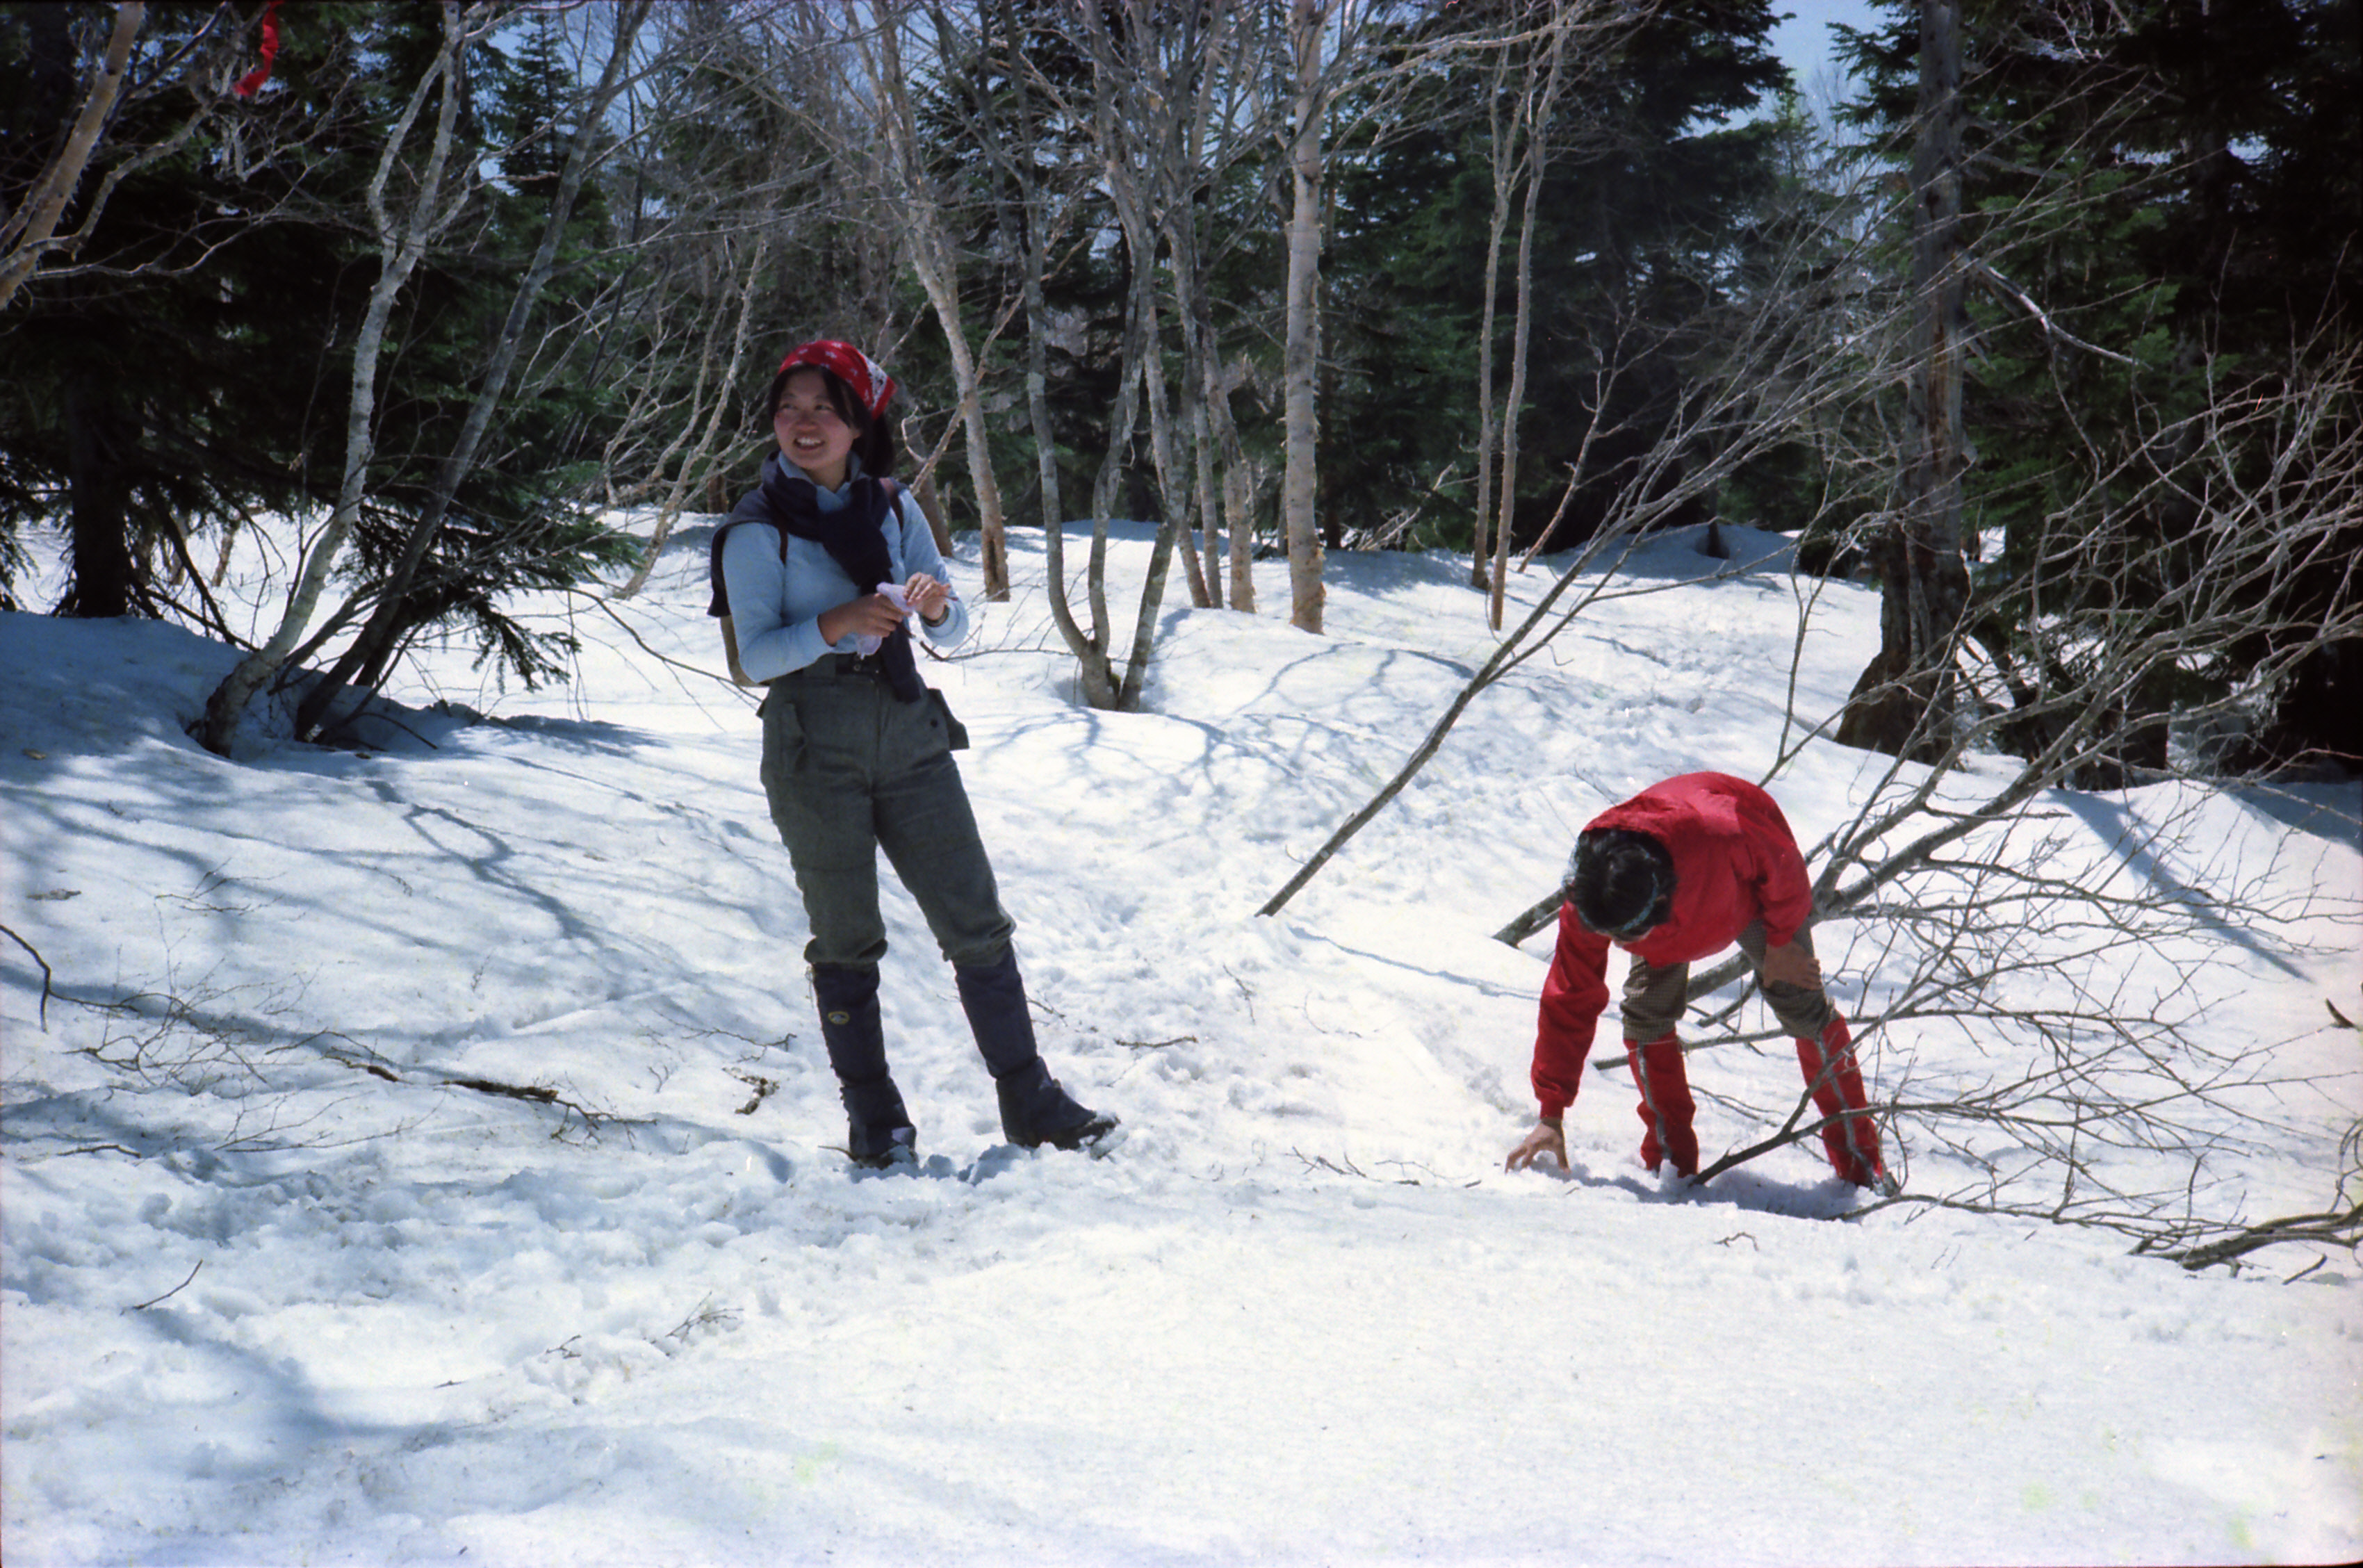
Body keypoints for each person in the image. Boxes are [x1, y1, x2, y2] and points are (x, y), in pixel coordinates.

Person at [712, 338, 1116, 1167]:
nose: (803, 424)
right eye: (789, 409)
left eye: (824, 409)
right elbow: (753, 658)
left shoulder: (894, 508)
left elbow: (955, 624)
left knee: (975, 919)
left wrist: (934, 608)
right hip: (811, 739)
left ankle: (1030, 1101)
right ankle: (876, 1120)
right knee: (845, 935)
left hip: (907, 728)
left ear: (859, 423)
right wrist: (836, 623)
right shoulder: (755, 530)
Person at [1503, 771, 1886, 1188]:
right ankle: (1672, 1165)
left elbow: (1783, 867)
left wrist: (1780, 942)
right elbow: (1569, 996)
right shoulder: (1594, 898)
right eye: (1608, 936)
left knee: (1803, 1005)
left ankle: (1862, 1170)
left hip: (1746, 892)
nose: (1616, 947)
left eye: (1625, 939)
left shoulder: (1722, 830)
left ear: (1659, 904)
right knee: (1646, 1016)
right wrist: (1551, 1113)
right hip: (1673, 911)